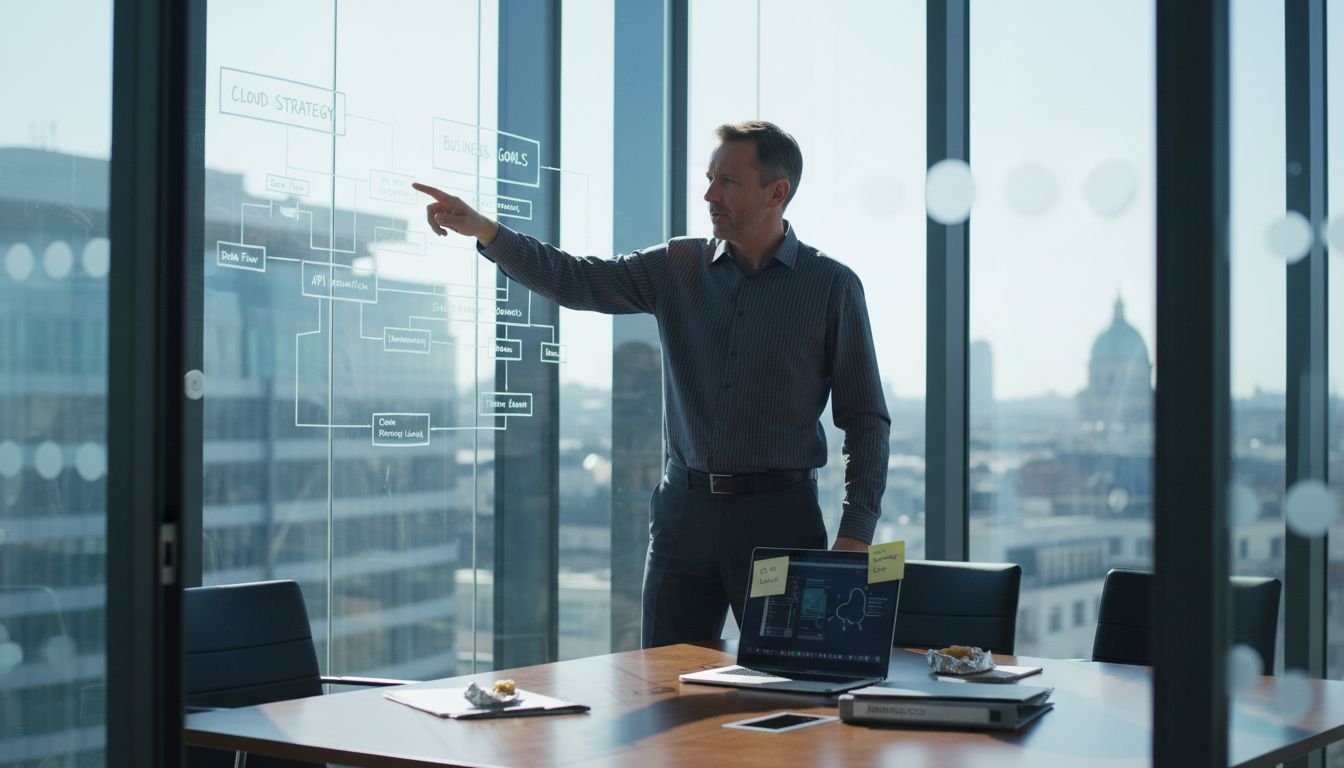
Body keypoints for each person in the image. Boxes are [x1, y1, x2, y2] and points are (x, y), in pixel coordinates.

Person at [413, 120, 889, 648]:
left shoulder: (831, 286)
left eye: (727, 182)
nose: (709, 195)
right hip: (684, 516)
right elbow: (577, 279)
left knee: (790, 671)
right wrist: (488, 231)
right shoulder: (677, 265)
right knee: (664, 680)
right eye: (709, 179)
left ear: (777, 192)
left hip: (778, 520)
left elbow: (865, 419)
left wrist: (856, 532)